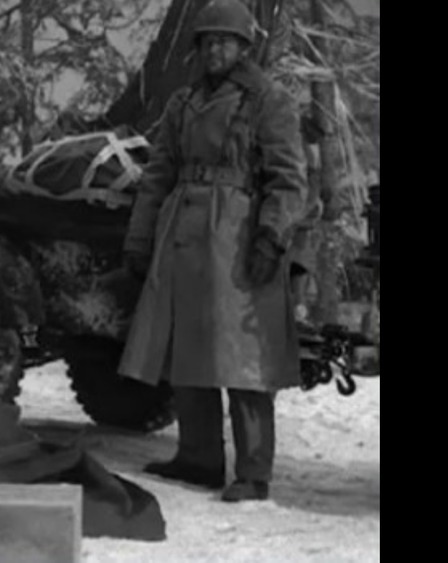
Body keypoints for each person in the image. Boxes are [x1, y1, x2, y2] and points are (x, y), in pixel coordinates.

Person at [118, 0, 309, 502]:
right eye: (207, 41)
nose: (215, 49)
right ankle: (199, 457)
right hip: (182, 233)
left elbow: (288, 178)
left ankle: (253, 471)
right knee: (188, 349)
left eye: (225, 41)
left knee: (244, 359)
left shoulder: (268, 99)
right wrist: (139, 239)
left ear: (245, 47)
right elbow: (158, 175)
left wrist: (272, 235)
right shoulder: (182, 103)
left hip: (240, 237)